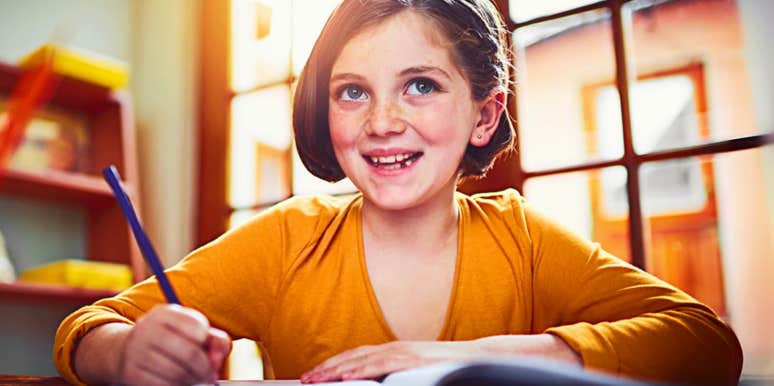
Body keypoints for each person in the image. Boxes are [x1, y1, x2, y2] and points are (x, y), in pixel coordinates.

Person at [54, 1, 743, 385]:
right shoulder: (287, 240)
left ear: (483, 113)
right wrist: (125, 352)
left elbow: (706, 345)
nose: (382, 121)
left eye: (421, 85)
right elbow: (84, 330)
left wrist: (467, 357)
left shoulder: (523, 239)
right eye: (353, 92)